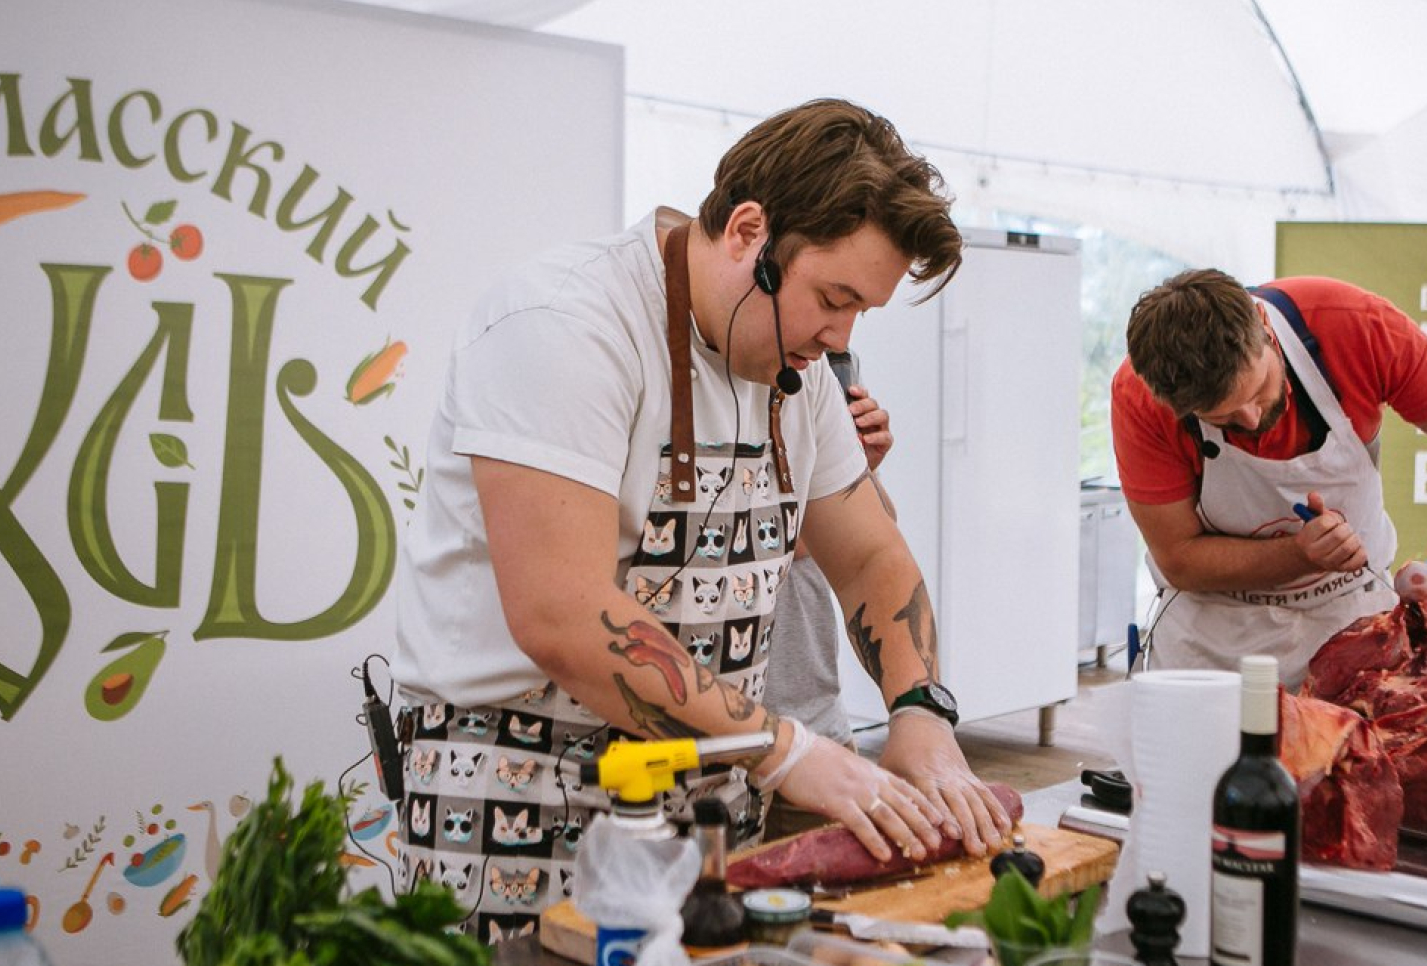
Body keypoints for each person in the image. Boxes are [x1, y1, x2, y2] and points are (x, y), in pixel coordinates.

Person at [390, 99, 1010, 936]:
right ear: (750, 231)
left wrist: (921, 713)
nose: (838, 335)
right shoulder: (565, 326)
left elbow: (869, 558)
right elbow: (560, 615)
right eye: (833, 296)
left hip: (713, 790)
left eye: (861, 310)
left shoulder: (799, 372)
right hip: (515, 792)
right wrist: (788, 750)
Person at [1111, 269, 1427, 688]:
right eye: (1223, 418)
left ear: (1267, 332)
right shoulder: (1140, 396)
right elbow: (1179, 557)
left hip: (1353, 624)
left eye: (1259, 392)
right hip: (1214, 639)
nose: (1253, 420)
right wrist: (1300, 554)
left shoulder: (1353, 325)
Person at [763, 356, 897, 839]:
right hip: (741, 737)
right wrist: (831, 492)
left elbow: (877, 534)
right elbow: (785, 546)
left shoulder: (827, 373)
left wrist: (859, 471)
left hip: (818, 721)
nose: (836, 337)